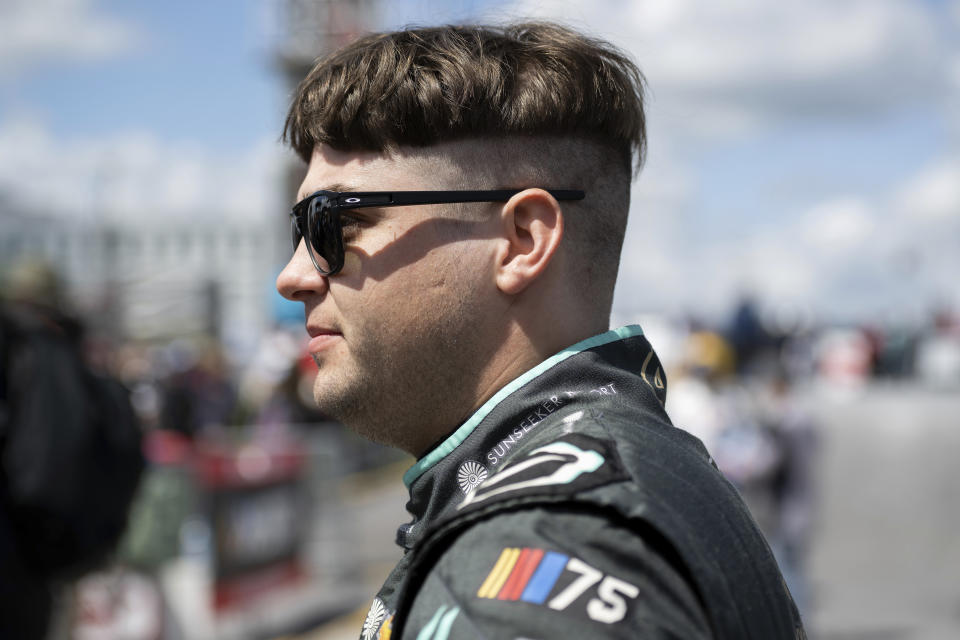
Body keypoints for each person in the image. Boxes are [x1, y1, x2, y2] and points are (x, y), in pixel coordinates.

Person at [276, 23, 805, 639]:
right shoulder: (651, 468)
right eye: (299, 231)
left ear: (521, 242)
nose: (294, 277)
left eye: (334, 225)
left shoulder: (526, 567)